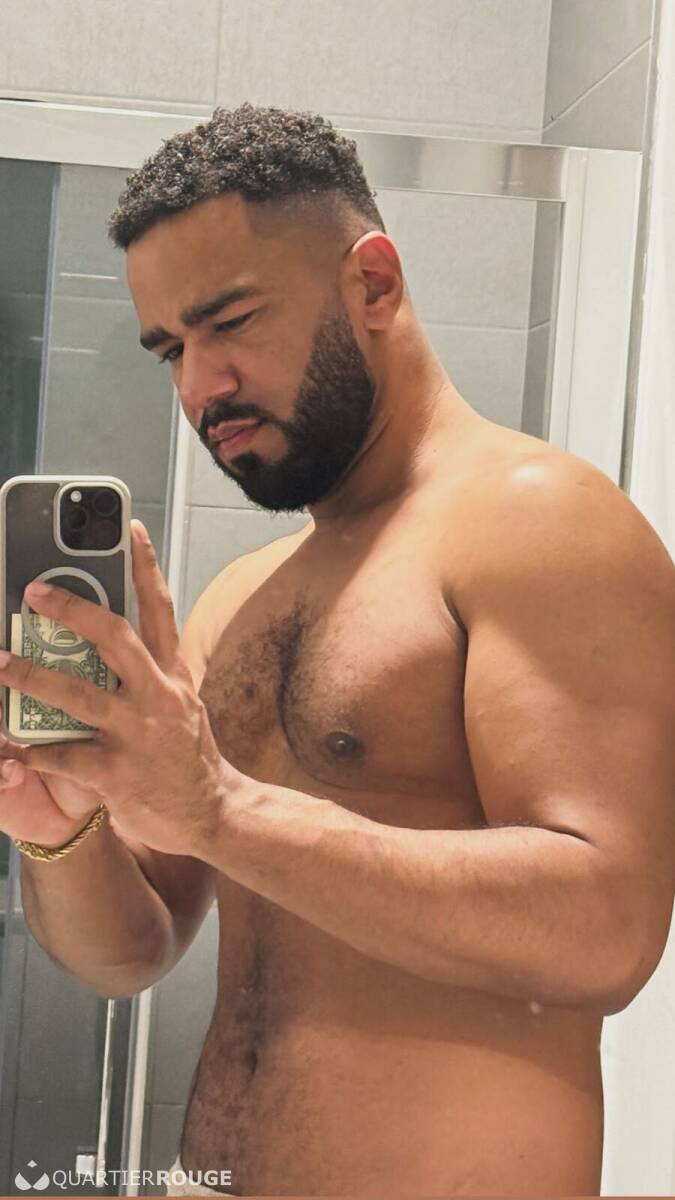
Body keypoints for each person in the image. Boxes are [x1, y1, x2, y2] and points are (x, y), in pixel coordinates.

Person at [0, 102, 673, 1198]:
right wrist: (58, 830)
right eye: (171, 349)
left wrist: (220, 807)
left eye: (229, 322)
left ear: (374, 283)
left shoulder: (540, 521)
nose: (197, 387)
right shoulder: (242, 597)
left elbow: (607, 933)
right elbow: (132, 952)